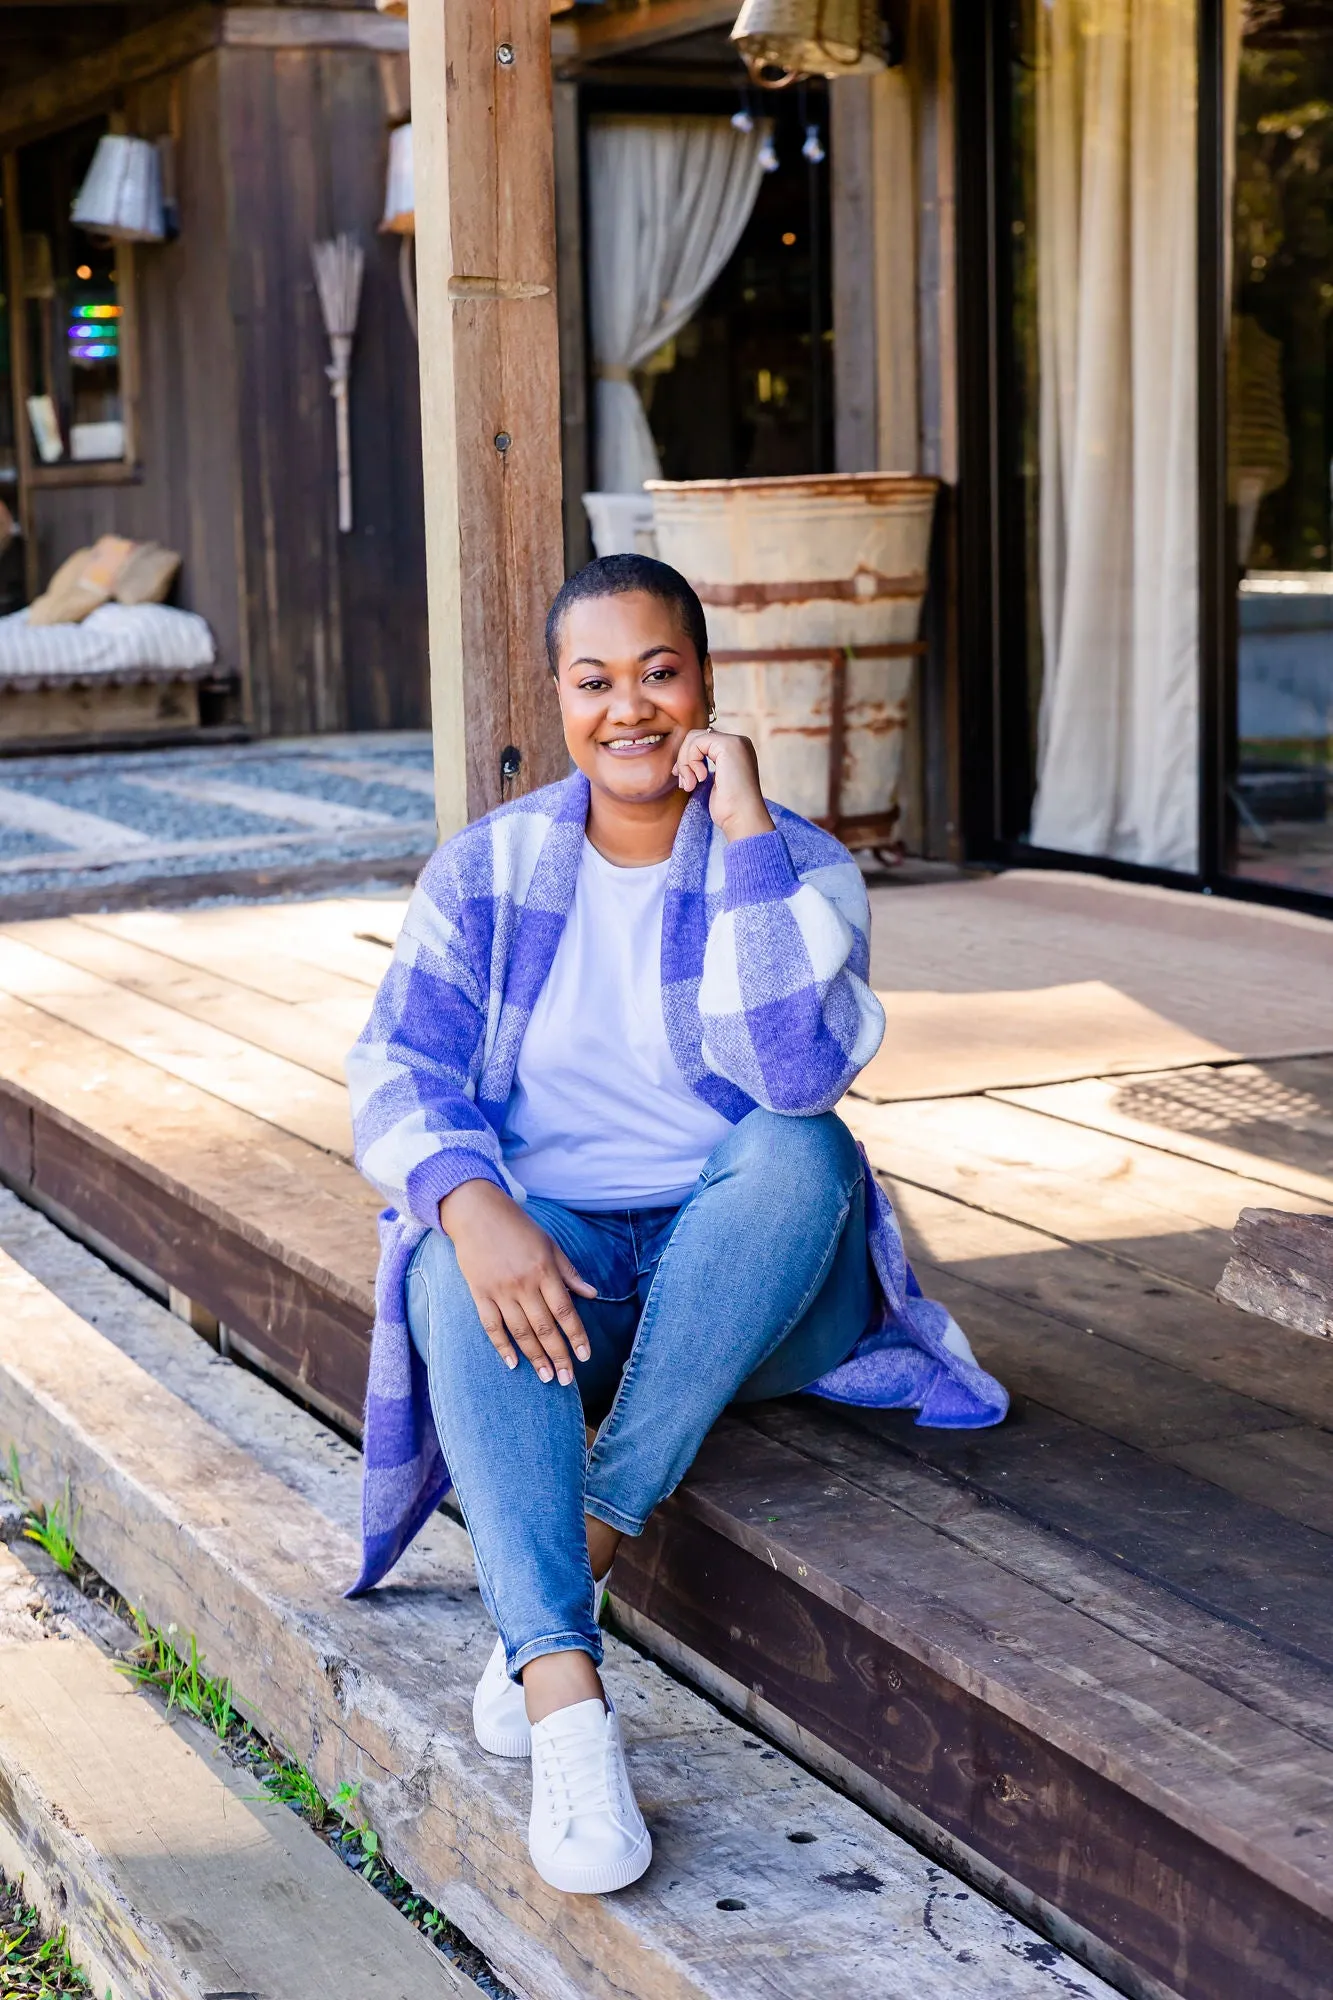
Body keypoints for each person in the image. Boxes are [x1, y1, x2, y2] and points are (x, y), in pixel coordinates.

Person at [346, 555, 1006, 1898]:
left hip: (758, 1277)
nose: (629, 707)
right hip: (571, 1272)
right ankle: (568, 1707)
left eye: (660, 671)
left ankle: (576, 1546)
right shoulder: (488, 871)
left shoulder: (800, 864)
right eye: (596, 681)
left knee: (800, 1150)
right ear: (560, 697)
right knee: (447, 1269)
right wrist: (476, 1207)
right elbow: (397, 1067)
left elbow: (793, 1071)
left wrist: (748, 817)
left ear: (706, 683)